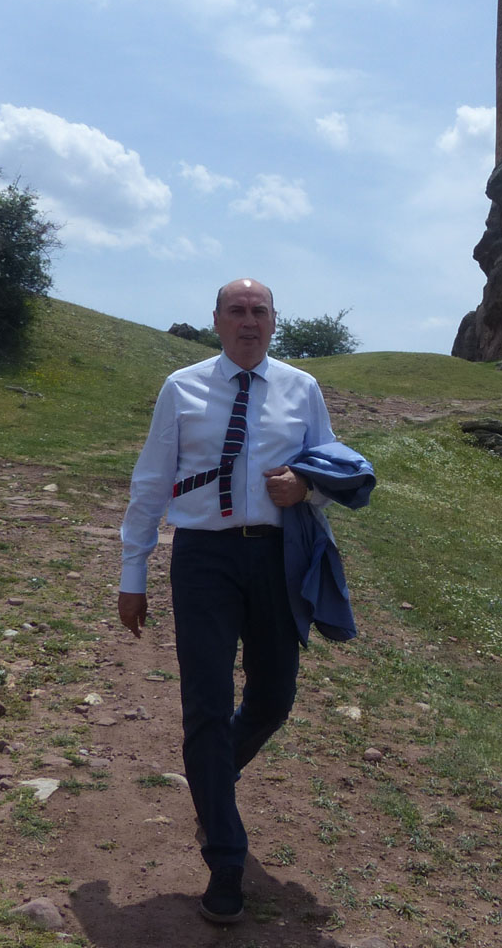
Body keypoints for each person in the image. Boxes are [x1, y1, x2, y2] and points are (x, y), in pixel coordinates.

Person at [118, 278, 339, 924]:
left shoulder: (303, 389)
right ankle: (226, 857)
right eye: (237, 311)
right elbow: (152, 479)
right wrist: (134, 572)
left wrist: (307, 487)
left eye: (259, 312)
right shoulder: (181, 387)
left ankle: (215, 779)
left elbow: (333, 471)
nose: (249, 321)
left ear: (275, 323)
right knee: (207, 706)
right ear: (216, 320)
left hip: (277, 557)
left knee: (274, 697)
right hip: (203, 558)